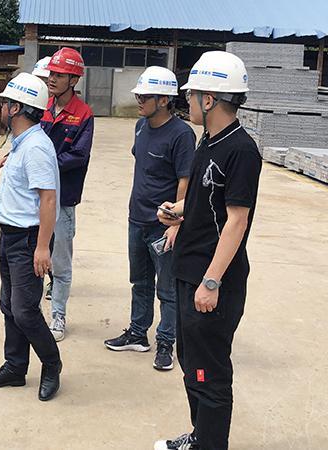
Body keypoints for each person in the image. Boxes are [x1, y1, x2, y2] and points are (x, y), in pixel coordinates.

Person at [154, 51, 261, 450]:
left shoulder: (241, 150)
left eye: (192, 94)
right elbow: (205, 199)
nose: (188, 101)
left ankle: (210, 443)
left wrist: (211, 281)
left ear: (210, 98)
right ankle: (200, 436)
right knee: (192, 363)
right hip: (190, 272)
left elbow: (237, 221)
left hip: (212, 281)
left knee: (209, 372)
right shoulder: (208, 141)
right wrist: (177, 211)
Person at [0, 73, 63, 402]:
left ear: (16, 109)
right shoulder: (22, 143)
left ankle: (52, 364)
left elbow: (48, 199)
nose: (1, 108)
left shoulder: (36, 147)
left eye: (5, 103)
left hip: (28, 240)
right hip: (10, 235)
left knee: (25, 310)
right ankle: (15, 367)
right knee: (9, 306)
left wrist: (42, 247)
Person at [104, 67, 195, 371]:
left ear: (164, 100)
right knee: (139, 281)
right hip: (137, 218)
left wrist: (176, 223)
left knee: (167, 288)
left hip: (163, 225)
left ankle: (166, 342)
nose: (139, 101)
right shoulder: (141, 127)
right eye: (139, 96)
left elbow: (185, 181)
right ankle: (137, 333)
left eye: (145, 96)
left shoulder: (181, 134)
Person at [41, 47, 94, 341]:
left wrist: (43, 164)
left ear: (73, 80)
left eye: (59, 75)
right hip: (36, 197)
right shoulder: (42, 107)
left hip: (63, 199)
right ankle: (29, 312)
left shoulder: (83, 114)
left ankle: (58, 315)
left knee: (60, 262)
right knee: (33, 254)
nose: (52, 79)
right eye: (52, 73)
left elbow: (78, 155)